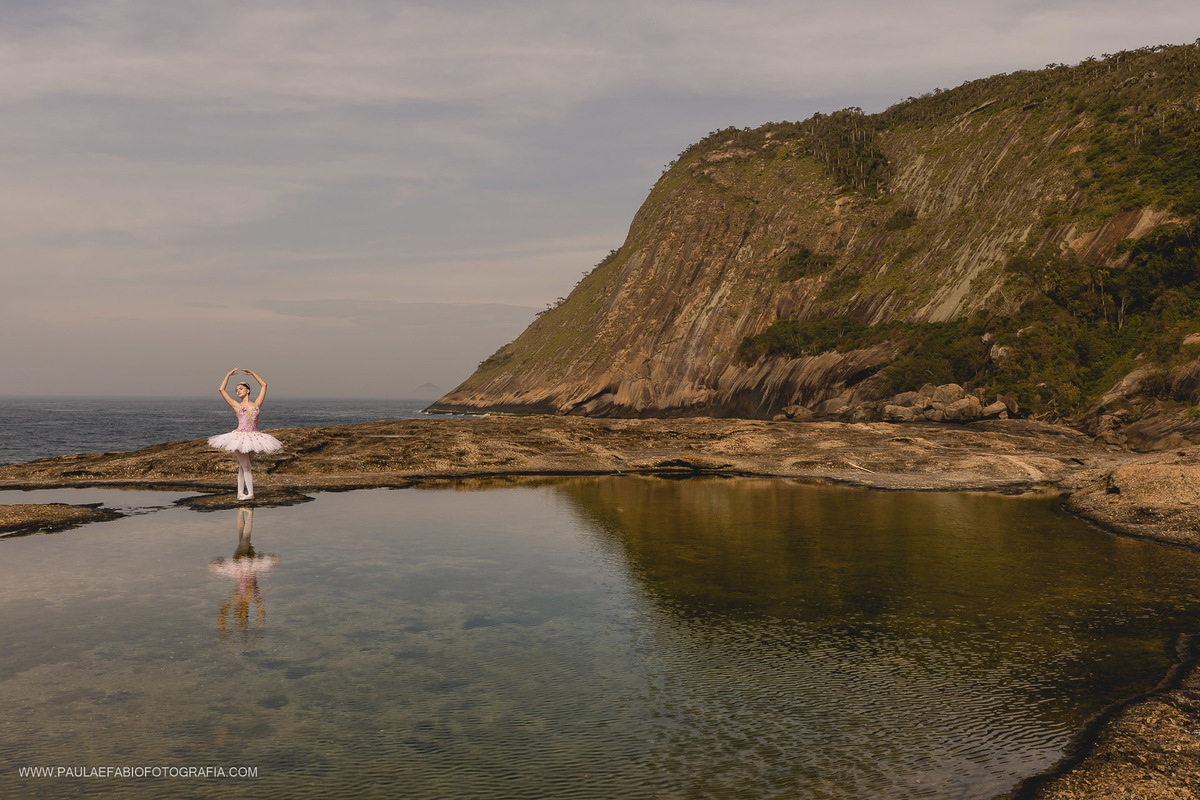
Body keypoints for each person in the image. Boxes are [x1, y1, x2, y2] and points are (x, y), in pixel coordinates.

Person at [208, 367, 282, 500]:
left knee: (243, 467)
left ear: (248, 390)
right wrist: (227, 375)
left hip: (254, 437)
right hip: (240, 437)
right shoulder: (237, 405)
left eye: (240, 389)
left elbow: (264, 385)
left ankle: (240, 493)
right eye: (236, 390)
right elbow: (221, 390)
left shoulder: (257, 404)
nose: (238, 391)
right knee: (246, 466)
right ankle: (251, 494)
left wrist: (253, 374)